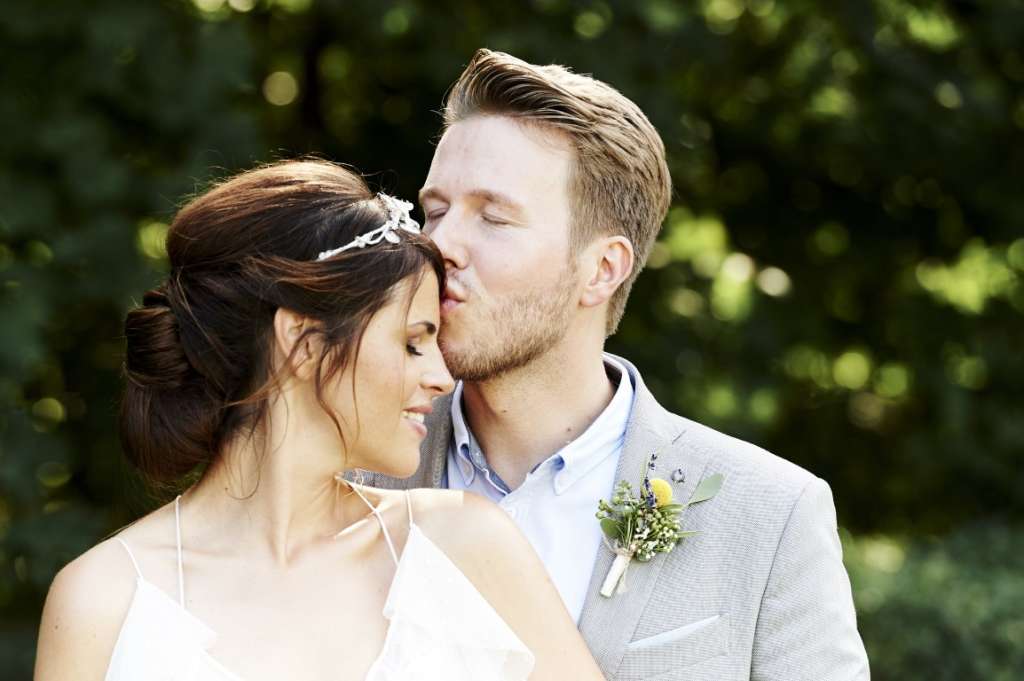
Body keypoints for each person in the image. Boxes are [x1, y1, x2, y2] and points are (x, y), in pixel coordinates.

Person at [365, 49, 871, 680]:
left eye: (493, 217)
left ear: (602, 270)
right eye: (435, 211)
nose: (438, 247)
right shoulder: (347, 476)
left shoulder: (769, 515)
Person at [33, 160, 606, 681]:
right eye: (411, 344)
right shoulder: (103, 602)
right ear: (303, 342)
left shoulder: (465, 548)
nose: (442, 377)